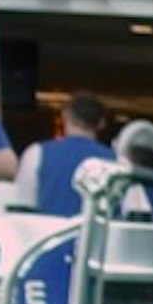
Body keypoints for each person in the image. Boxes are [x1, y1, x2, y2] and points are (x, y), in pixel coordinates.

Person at [21, 90, 115, 218]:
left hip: (50, 236)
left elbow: (22, 206)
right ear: (101, 123)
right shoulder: (118, 162)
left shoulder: (36, 153)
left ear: (65, 116)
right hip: (100, 237)